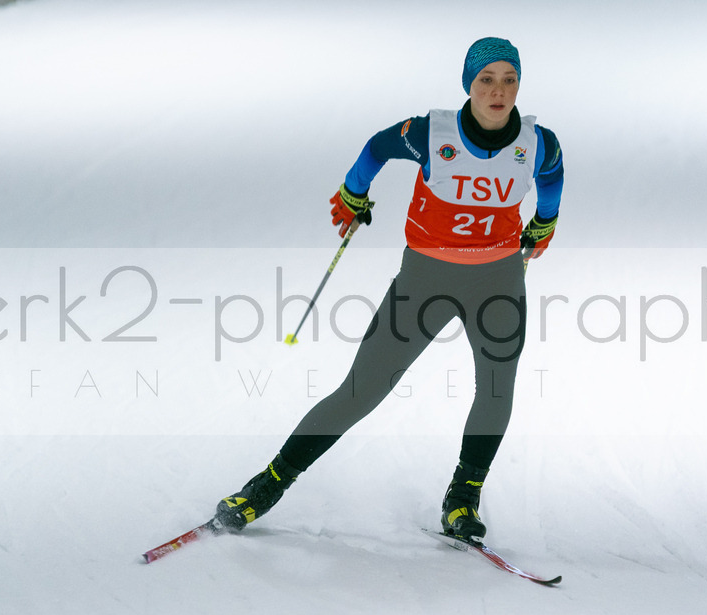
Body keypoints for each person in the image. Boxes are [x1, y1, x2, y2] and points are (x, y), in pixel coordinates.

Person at [212, 37, 564, 543]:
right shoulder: (430, 133)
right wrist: (354, 191)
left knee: (495, 387)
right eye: (486, 79)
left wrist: (545, 221)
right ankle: (268, 483)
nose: (498, 91)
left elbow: (551, 174)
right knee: (362, 390)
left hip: (498, 278)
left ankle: (463, 499)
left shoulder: (539, 141)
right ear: (469, 84)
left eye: (509, 80)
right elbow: (378, 146)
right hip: (426, 278)